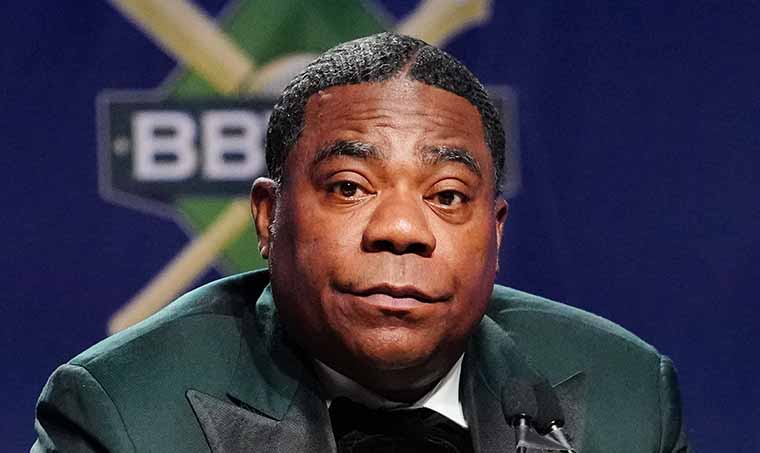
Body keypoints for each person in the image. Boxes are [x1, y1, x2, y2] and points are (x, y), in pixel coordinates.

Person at [32, 33, 689, 452]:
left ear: (494, 233)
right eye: (350, 187)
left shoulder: (630, 396)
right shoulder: (123, 414)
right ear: (268, 218)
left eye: (447, 196)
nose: (401, 230)